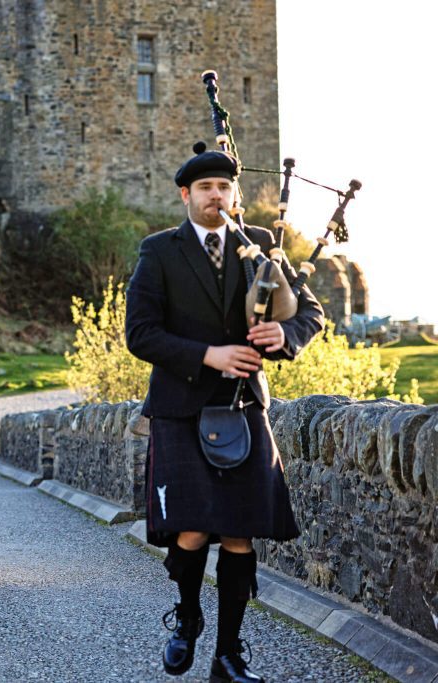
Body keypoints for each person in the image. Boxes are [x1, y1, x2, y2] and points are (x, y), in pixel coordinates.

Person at [125, 144, 324, 682]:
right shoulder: (159, 251)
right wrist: (206, 355)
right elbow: (139, 333)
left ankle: (229, 655)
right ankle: (188, 618)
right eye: (206, 188)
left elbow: (310, 312)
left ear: (234, 195)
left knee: (239, 533)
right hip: (181, 408)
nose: (217, 196)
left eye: (224, 188)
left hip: (241, 405)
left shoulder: (259, 246)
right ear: (186, 195)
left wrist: (285, 334)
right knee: (190, 530)